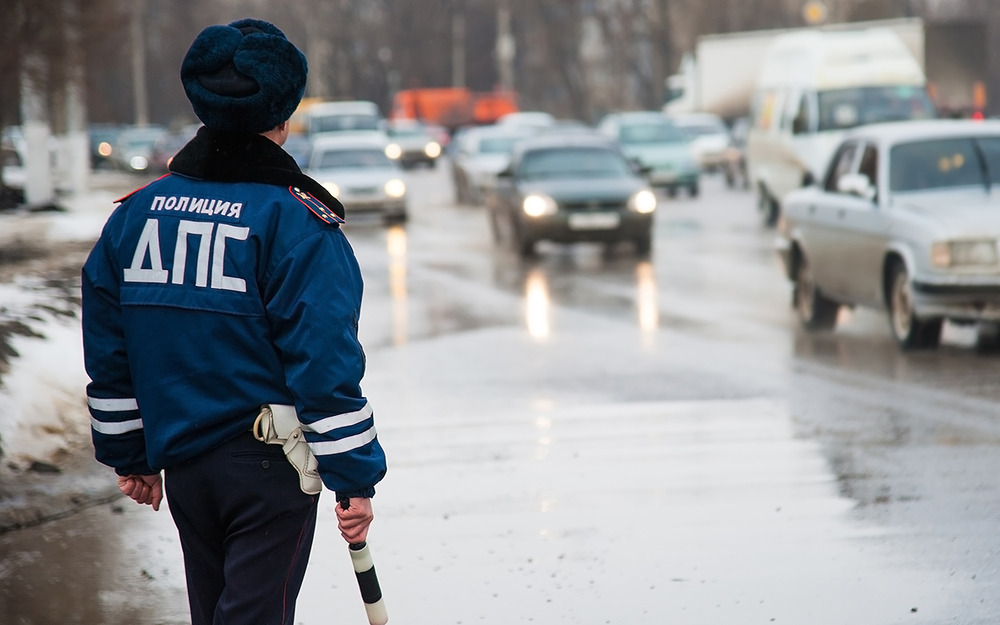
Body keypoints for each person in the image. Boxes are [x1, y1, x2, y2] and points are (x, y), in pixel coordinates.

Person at [81, 18, 386, 625]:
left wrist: (130, 452)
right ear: (284, 113)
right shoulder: (296, 221)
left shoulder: (136, 214)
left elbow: (110, 347)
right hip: (268, 468)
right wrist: (353, 476)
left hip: (185, 463)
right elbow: (322, 358)